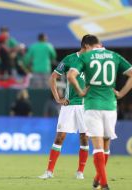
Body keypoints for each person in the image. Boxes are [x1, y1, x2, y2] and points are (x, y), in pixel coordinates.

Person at [67, 35, 132, 190]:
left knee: (98, 147)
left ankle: (104, 184)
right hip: (110, 106)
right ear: (100, 44)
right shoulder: (114, 56)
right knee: (106, 146)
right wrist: (120, 94)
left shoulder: (86, 56)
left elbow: (70, 76)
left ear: (87, 45)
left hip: (92, 105)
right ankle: (97, 179)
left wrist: (80, 91)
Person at [39, 36, 90, 180]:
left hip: (86, 106)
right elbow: (53, 77)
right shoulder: (70, 59)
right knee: (60, 137)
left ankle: (80, 172)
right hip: (69, 105)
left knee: (84, 138)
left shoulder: (94, 62)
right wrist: (57, 98)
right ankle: (49, 171)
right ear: (85, 45)